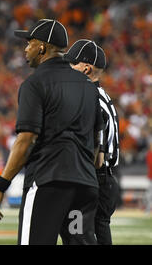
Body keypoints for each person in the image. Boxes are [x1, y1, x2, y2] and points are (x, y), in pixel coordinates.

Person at [0, 19, 104, 245]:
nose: (25, 49)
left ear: (42, 47)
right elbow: (96, 143)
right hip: (85, 185)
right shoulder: (90, 86)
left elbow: (26, 139)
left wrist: (1, 185)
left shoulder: (35, 83)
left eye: (29, 43)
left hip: (48, 182)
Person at [63, 39, 121, 244]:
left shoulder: (90, 98)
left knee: (80, 236)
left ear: (86, 69)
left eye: (72, 64)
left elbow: (97, 154)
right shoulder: (102, 95)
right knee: (93, 232)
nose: (67, 68)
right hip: (104, 178)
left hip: (95, 177)